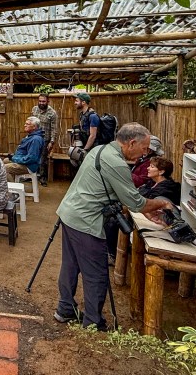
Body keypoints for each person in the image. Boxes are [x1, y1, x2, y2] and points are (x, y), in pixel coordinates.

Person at [54, 123, 173, 329]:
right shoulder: (117, 163)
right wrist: (162, 203)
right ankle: (93, 322)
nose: (145, 154)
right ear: (132, 143)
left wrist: (146, 209)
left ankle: (65, 309)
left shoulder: (99, 150)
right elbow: (136, 202)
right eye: (144, 148)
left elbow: (107, 190)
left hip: (69, 213)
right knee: (96, 274)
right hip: (86, 222)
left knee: (70, 265)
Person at [31, 94, 58, 186]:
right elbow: (31, 123)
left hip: (45, 139)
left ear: (48, 102)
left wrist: (52, 141)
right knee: (33, 157)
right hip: (34, 138)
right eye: (40, 101)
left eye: (43, 101)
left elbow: (54, 128)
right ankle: (32, 176)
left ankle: (43, 178)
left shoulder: (52, 113)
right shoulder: (34, 109)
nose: (41, 103)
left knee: (43, 160)